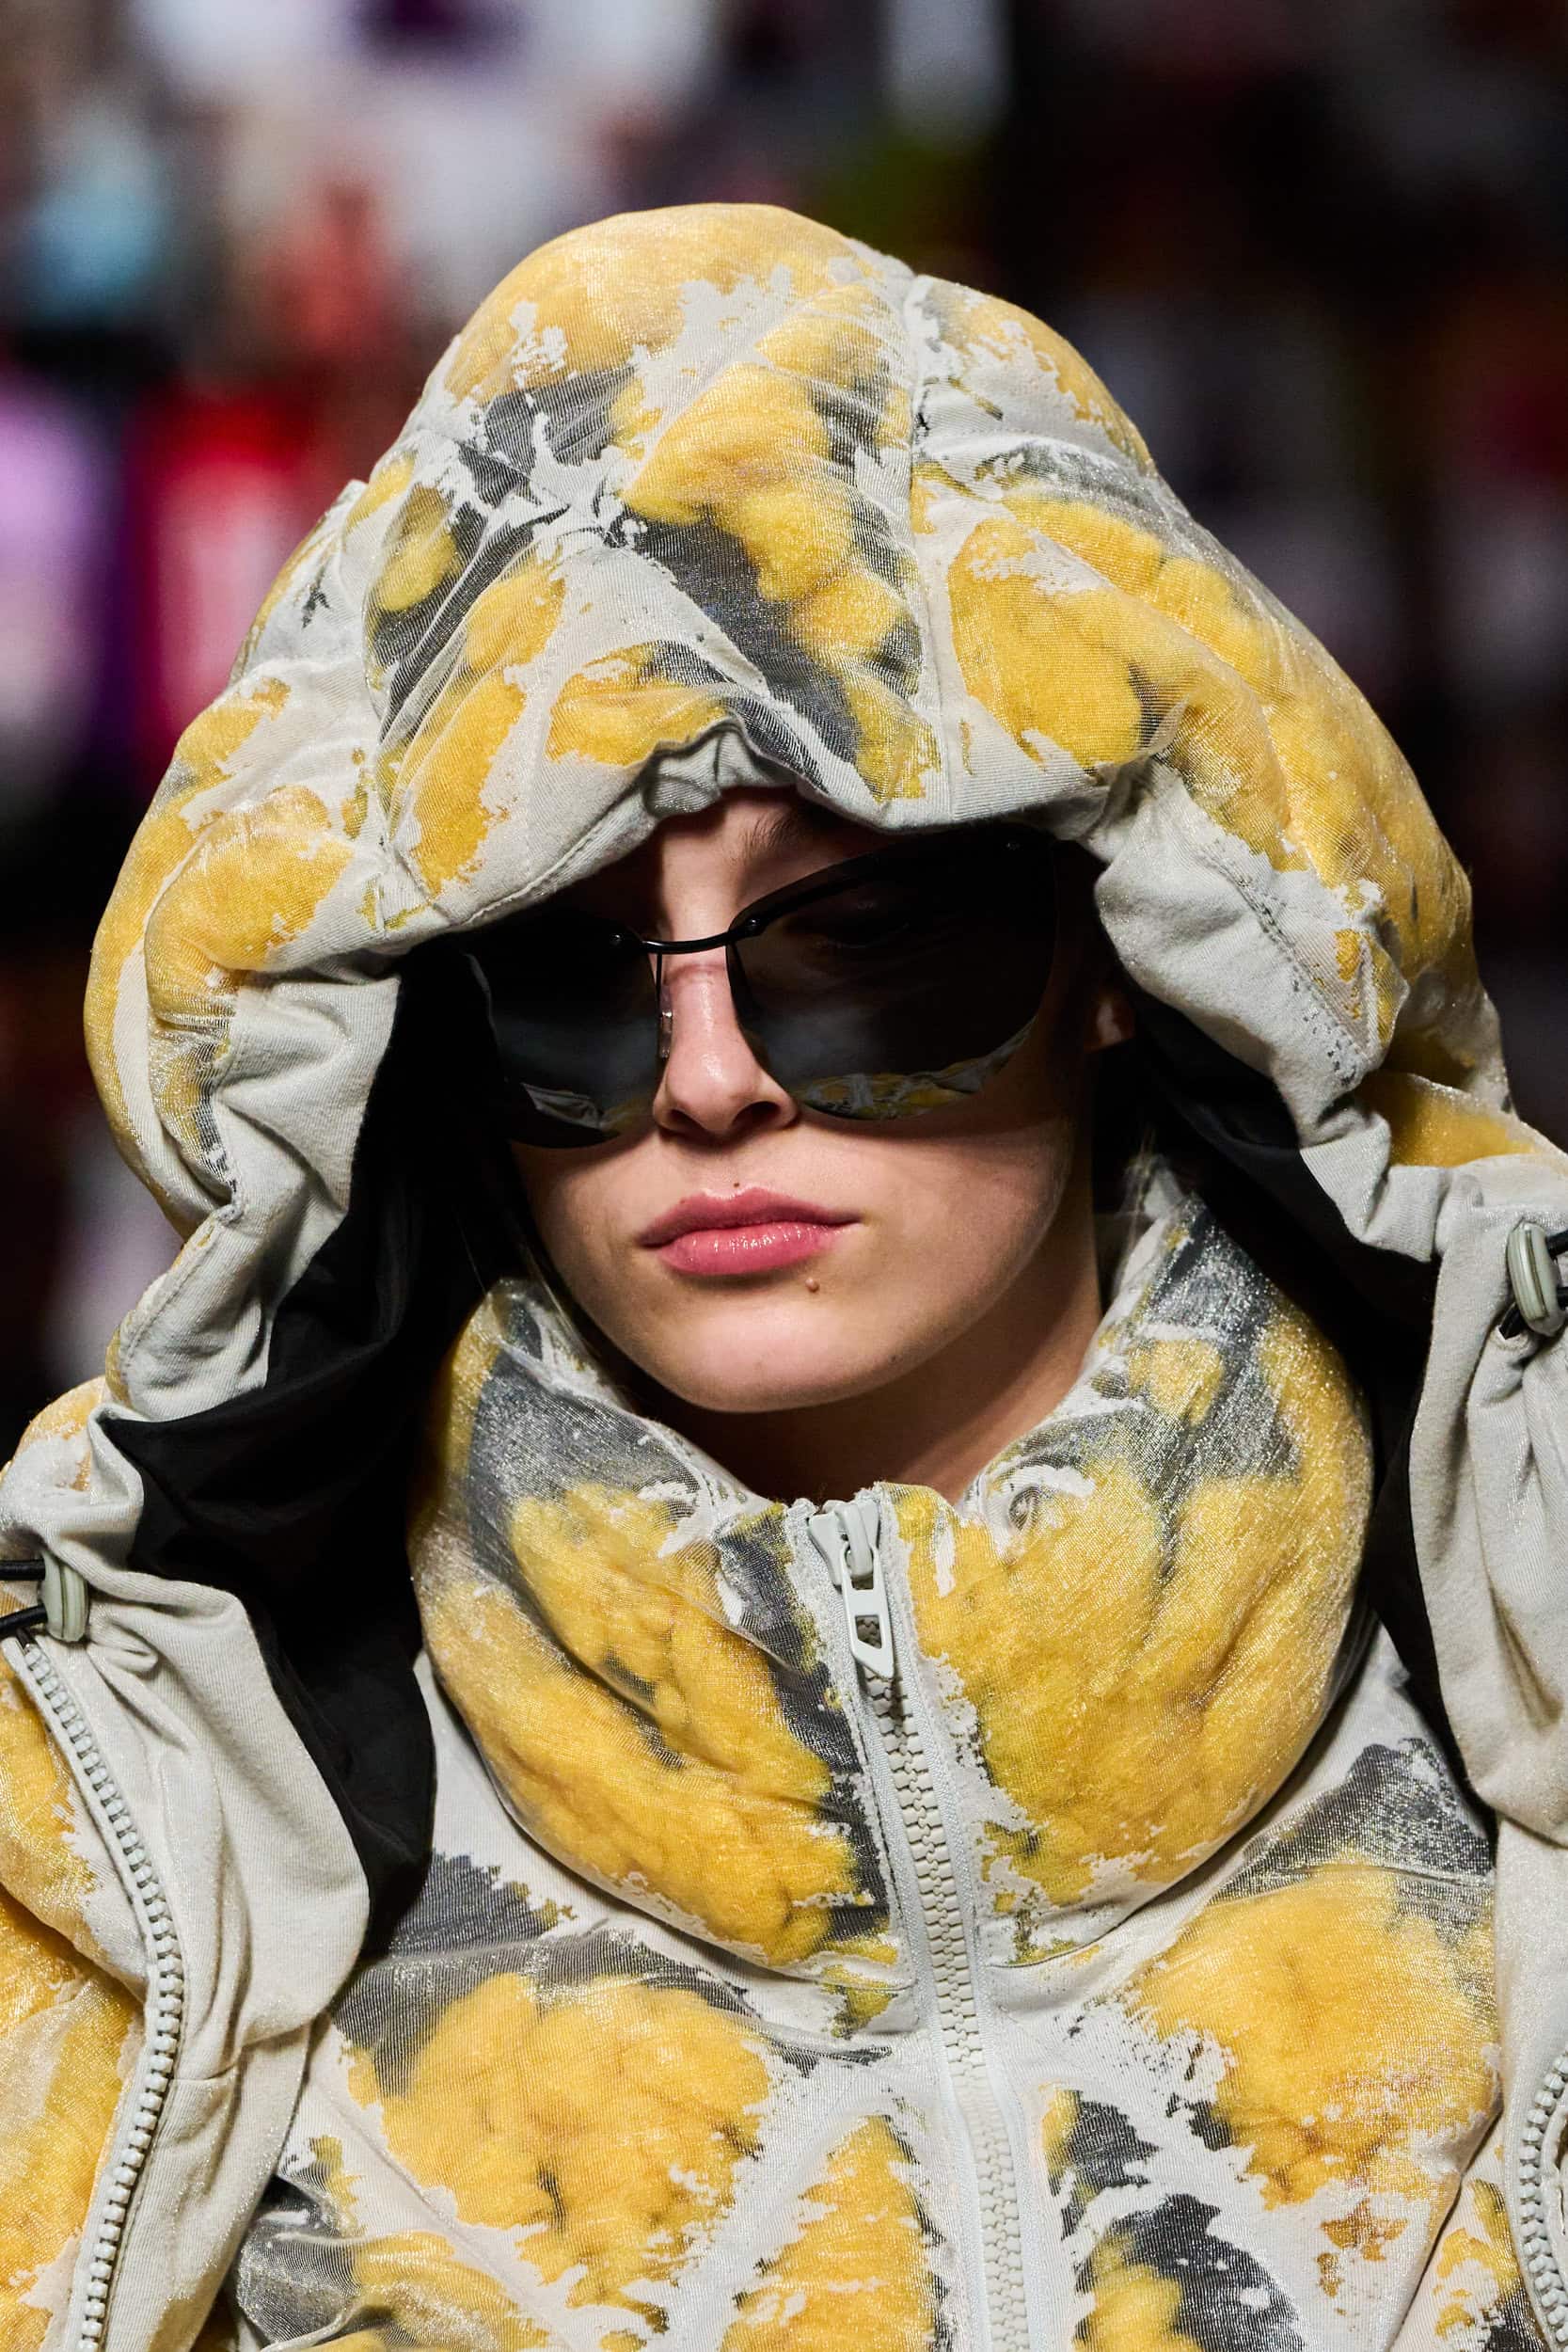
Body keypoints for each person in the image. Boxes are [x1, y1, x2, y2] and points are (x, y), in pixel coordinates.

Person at [2, 201, 1566, 2352]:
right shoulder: (122, 1806)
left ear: (1127, 946)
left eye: (868, 940)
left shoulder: (1518, 1643)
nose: (711, 1076)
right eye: (569, 973)